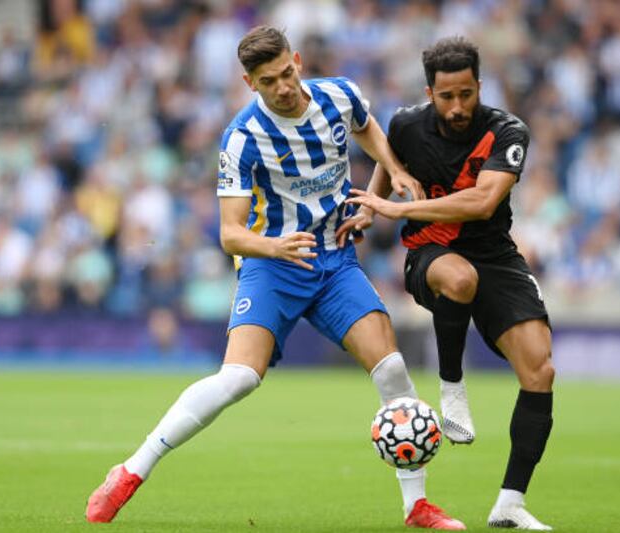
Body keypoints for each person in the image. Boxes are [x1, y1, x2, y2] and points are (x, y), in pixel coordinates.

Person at [85, 26, 464, 531]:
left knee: (392, 368)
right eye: (269, 81)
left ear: (298, 61)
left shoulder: (339, 95)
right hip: (271, 266)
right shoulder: (242, 138)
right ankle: (131, 471)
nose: (283, 87)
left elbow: (366, 125)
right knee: (239, 378)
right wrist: (275, 246)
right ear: (250, 83)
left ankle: (416, 507)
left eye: (287, 73)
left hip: (333, 261)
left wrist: (391, 169)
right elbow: (230, 235)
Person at [342, 37, 555, 530]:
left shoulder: (507, 131)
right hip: (431, 254)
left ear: (478, 86)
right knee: (459, 279)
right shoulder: (406, 124)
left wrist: (400, 208)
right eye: (446, 97)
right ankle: (451, 386)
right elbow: (388, 159)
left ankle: (510, 503)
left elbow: (482, 203)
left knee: (540, 371)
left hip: (495, 253)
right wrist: (371, 209)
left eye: (466, 94)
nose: (457, 107)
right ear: (429, 92)